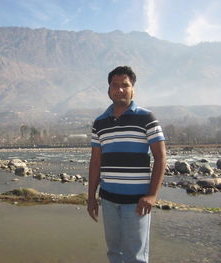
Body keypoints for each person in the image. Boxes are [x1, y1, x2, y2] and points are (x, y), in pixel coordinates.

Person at [87, 66, 166, 263]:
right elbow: (96, 161)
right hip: (108, 200)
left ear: (133, 89)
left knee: (135, 256)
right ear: (108, 90)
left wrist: (152, 195)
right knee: (114, 252)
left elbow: (161, 157)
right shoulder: (100, 122)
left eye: (125, 85)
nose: (120, 89)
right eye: (115, 85)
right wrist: (91, 197)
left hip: (137, 202)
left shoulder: (147, 118)